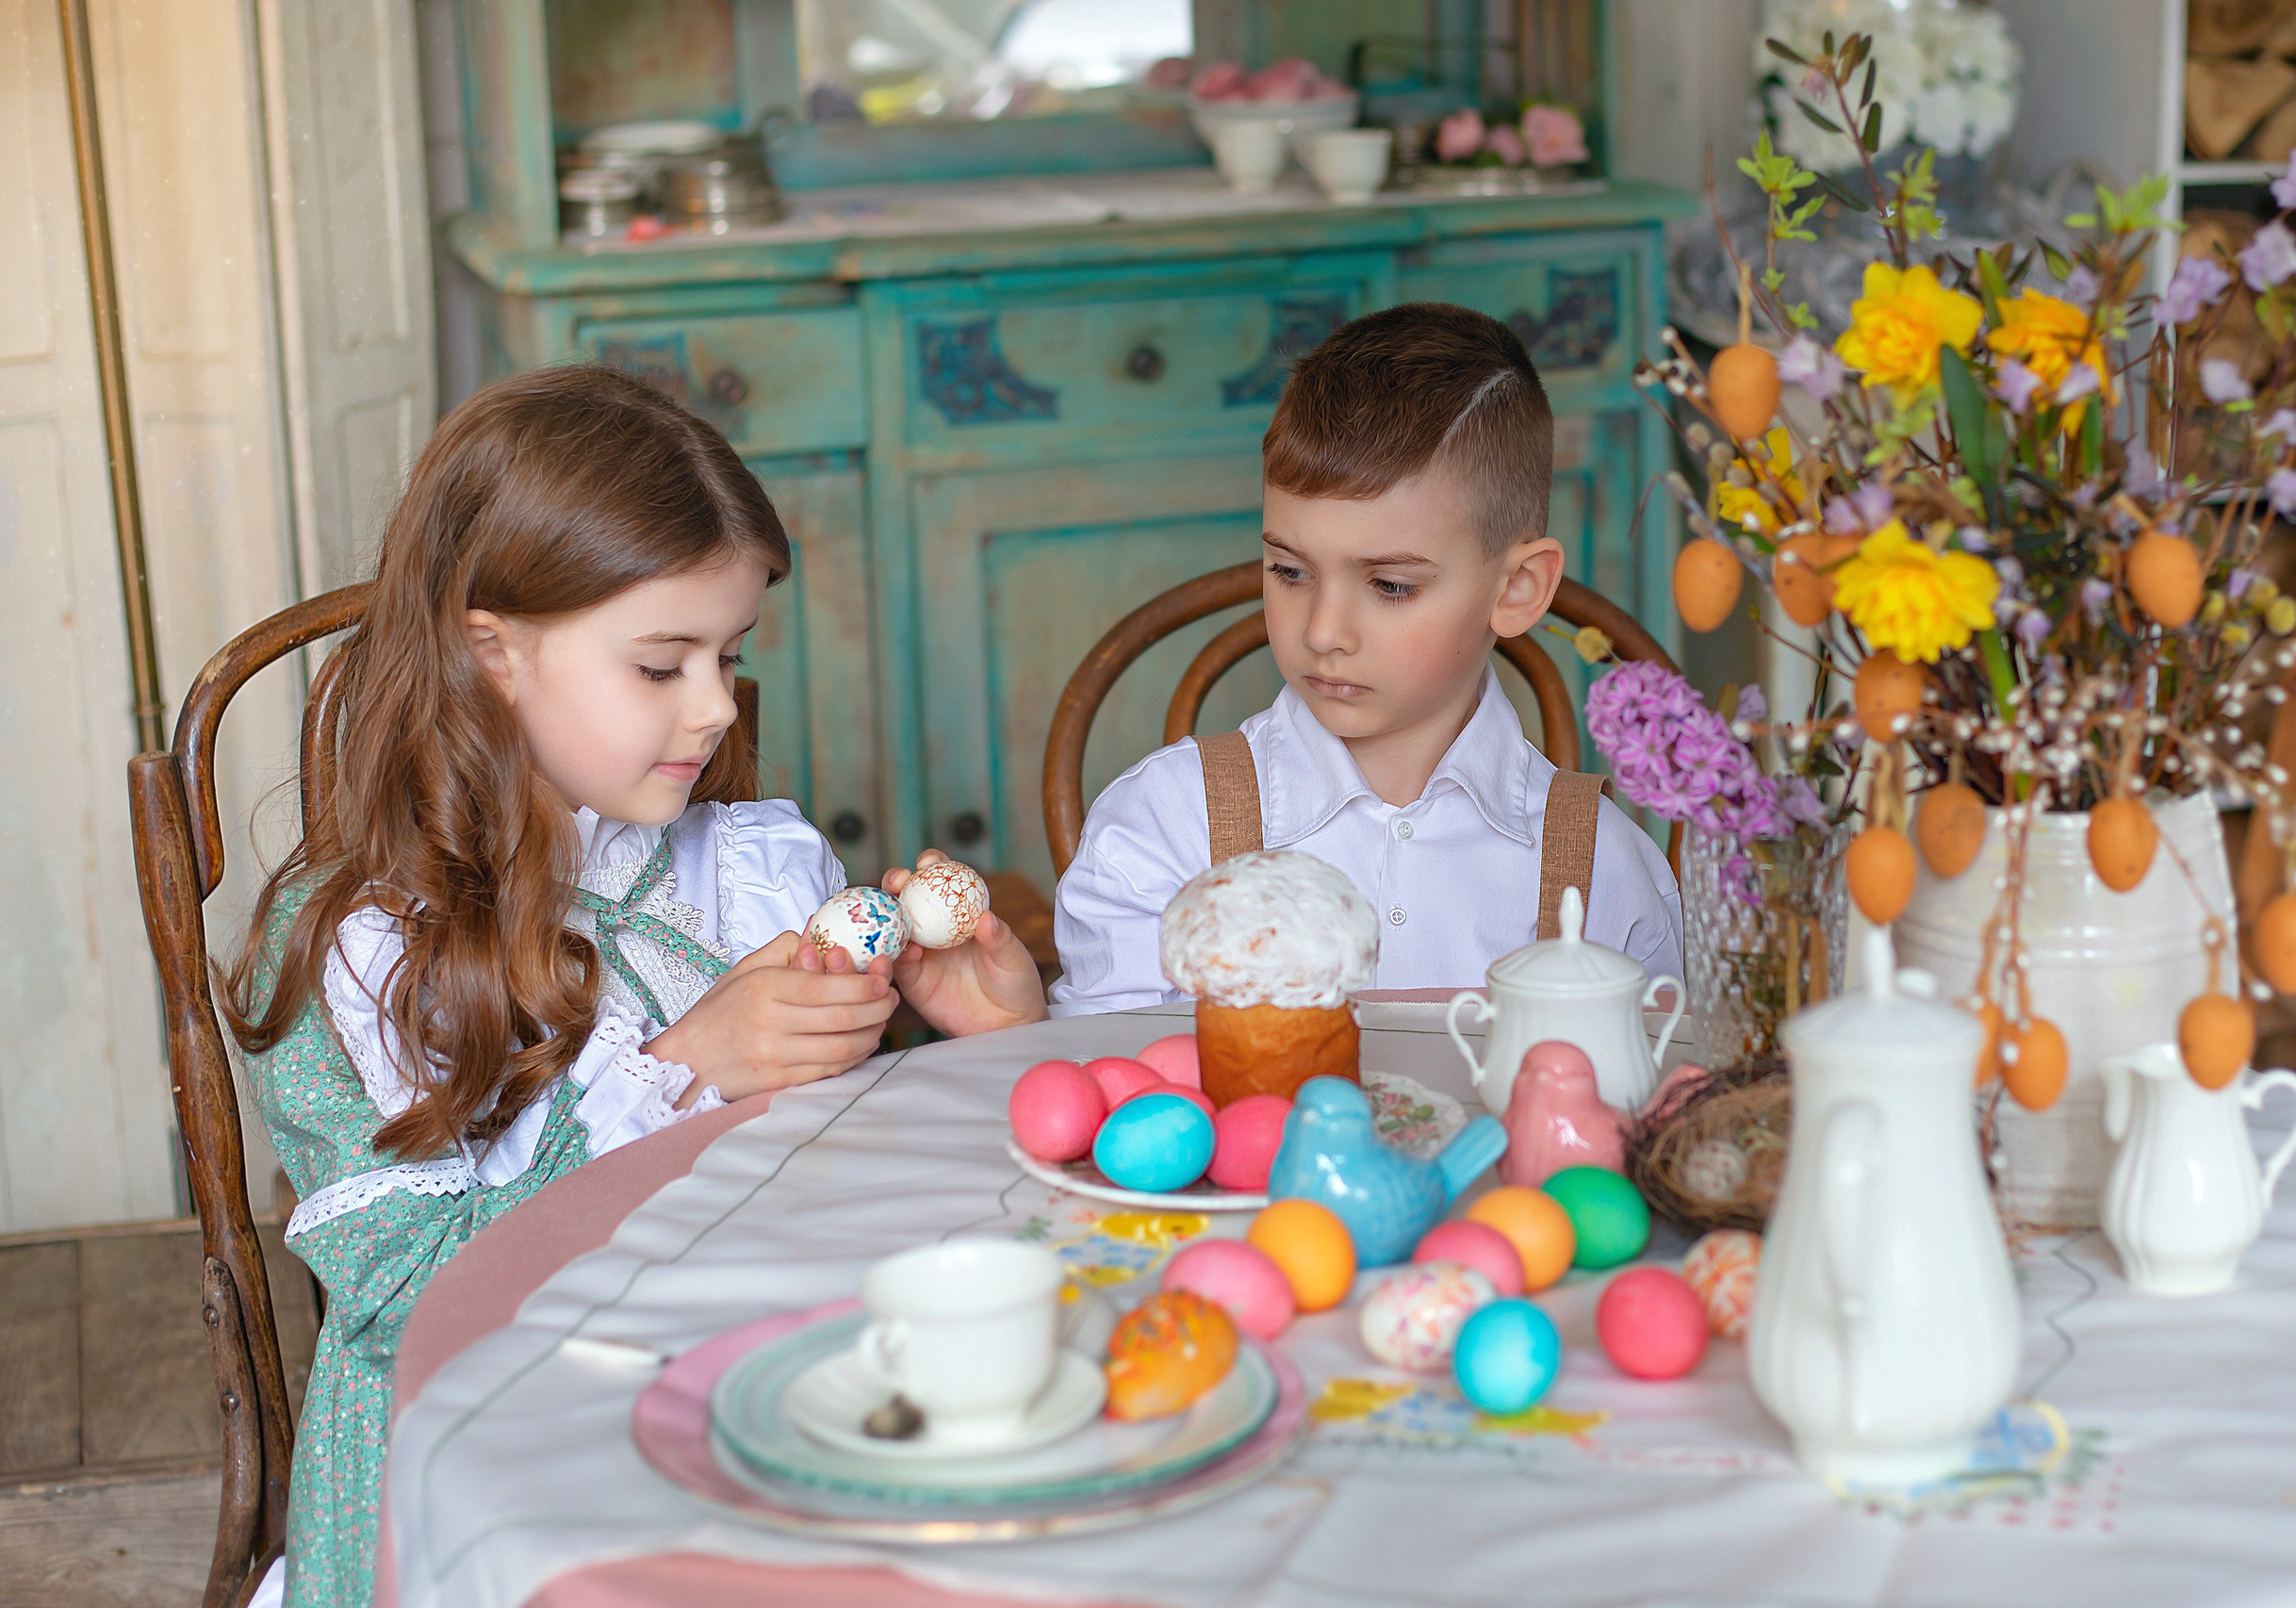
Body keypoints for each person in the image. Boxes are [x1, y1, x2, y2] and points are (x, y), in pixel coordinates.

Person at [221, 366, 1046, 1607]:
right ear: (491, 653)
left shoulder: (756, 870)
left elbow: (862, 1195)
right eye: (663, 665)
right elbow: (409, 1300)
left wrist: (992, 1045)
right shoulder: (363, 940)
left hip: (747, 1401)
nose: (717, 704)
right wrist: (686, 1068)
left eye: (728, 655)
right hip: (501, 1469)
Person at [1051, 303, 1682, 1014]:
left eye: (1390, 585)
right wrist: (1011, 1029)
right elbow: (1101, 1095)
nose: (1322, 630)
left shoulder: (1604, 873)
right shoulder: (1163, 827)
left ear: (1517, 588)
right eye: (1290, 571)